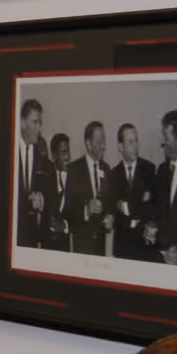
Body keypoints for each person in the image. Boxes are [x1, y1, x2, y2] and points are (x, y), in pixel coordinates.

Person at [103, 123, 159, 261]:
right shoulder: (112, 175)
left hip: (145, 249)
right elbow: (109, 209)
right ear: (120, 147)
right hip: (122, 249)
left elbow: (155, 207)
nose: (135, 146)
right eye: (130, 142)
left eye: (136, 141)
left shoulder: (150, 170)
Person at [63, 121, 112, 256]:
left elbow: (108, 205)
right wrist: (86, 210)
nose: (104, 146)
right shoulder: (73, 170)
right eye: (99, 142)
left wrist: (110, 217)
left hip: (101, 248)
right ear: (88, 144)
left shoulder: (106, 169)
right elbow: (67, 212)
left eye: (104, 141)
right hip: (82, 248)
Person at [152, 110, 177, 266]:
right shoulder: (163, 171)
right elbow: (161, 212)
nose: (162, 142)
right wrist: (153, 229)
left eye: (166, 137)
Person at [15, 99, 54, 248]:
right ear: (22, 122)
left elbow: (50, 199)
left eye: (40, 123)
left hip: (31, 240)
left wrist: (42, 201)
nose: (39, 128)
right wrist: (27, 200)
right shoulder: (8, 152)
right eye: (34, 122)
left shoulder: (42, 160)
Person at [39, 134, 74, 252]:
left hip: (65, 245)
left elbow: (77, 213)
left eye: (68, 151)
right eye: (64, 152)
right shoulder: (45, 178)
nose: (68, 156)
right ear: (54, 155)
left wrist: (65, 225)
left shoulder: (74, 179)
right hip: (46, 246)